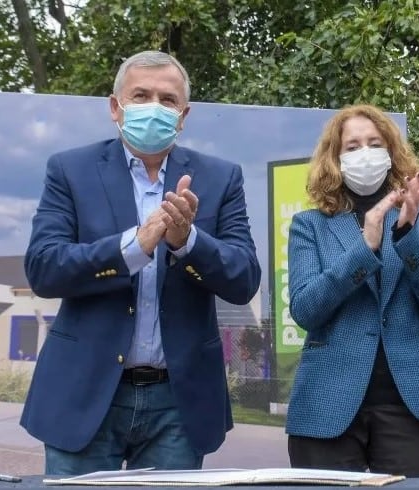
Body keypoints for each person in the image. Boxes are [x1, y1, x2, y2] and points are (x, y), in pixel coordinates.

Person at [21, 50, 261, 475]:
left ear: (183, 115)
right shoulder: (69, 170)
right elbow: (44, 267)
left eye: (167, 100)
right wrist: (136, 244)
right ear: (116, 107)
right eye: (141, 95)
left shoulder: (221, 177)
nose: (154, 108)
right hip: (85, 393)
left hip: (178, 401)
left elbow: (243, 279)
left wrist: (188, 241)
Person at [284, 104, 419, 476]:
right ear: (335, 158)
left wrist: (408, 235)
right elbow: (305, 310)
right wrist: (365, 247)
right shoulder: (309, 225)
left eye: (374, 142)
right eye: (352, 146)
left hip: (410, 401)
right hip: (327, 402)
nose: (364, 153)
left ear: (391, 151)